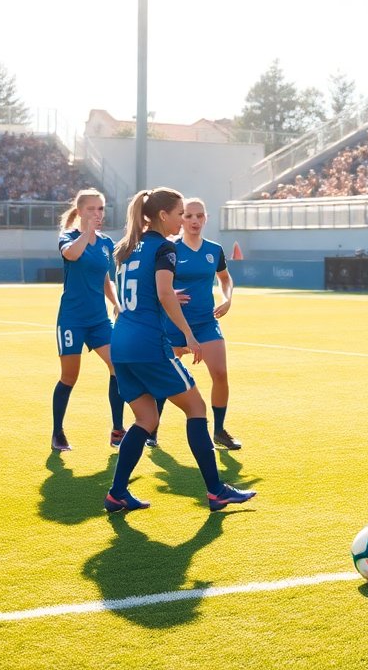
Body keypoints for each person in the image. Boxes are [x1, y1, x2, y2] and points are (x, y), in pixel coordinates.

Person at [103, 187, 256, 513]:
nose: (182, 220)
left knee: (146, 418)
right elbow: (162, 292)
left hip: (122, 343)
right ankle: (216, 492)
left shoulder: (127, 246)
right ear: (163, 215)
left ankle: (117, 494)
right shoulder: (165, 248)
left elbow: (144, 289)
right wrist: (189, 334)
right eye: (179, 214)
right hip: (149, 344)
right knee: (196, 408)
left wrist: (168, 295)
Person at [160, 198, 241, 450]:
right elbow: (156, 284)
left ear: (206, 218)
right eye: (188, 216)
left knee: (221, 374)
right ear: (181, 219)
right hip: (174, 323)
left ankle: (219, 430)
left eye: (199, 216)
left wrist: (227, 299)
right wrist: (169, 294)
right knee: (165, 376)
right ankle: (151, 428)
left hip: (206, 322)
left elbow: (225, 278)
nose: (194, 221)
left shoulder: (214, 250)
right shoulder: (169, 249)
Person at [51, 188, 123, 452]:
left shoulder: (106, 243)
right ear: (80, 211)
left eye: (100, 209)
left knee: (118, 366)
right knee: (69, 376)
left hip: (98, 321)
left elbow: (105, 279)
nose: (97, 214)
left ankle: (117, 430)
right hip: (72, 319)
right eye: (91, 209)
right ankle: (57, 432)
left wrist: (116, 303)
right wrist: (87, 232)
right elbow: (71, 255)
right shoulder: (69, 237)